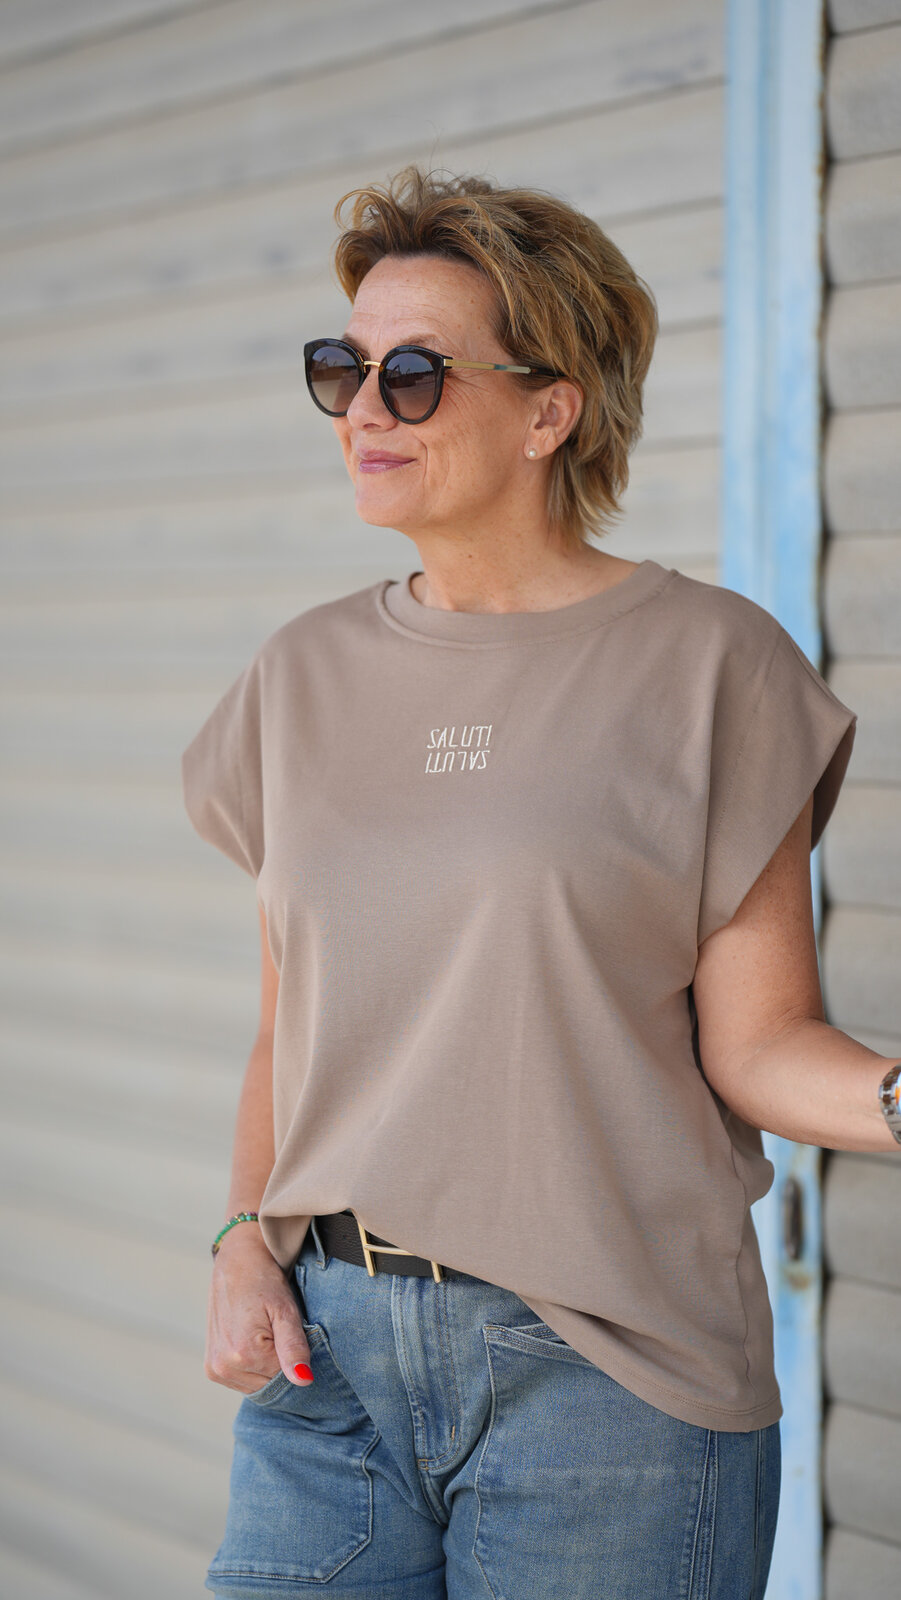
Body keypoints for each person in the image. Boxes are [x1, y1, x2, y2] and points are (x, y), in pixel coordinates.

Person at [181, 166, 900, 1600]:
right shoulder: (298, 678)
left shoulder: (711, 668)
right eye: (340, 369)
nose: (364, 410)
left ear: (548, 412)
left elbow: (758, 1043)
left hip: (604, 1379)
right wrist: (240, 1239)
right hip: (330, 1367)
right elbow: (290, 1027)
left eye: (412, 374)